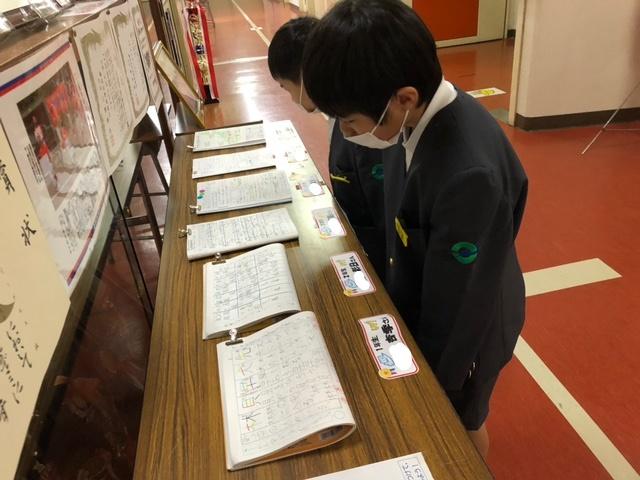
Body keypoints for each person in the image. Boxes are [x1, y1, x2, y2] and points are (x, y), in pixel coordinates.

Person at [302, 0, 528, 457]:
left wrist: (429, 391)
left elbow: (459, 308)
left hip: (468, 335)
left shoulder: (467, 174)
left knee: (458, 427)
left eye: (350, 122)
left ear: (403, 99)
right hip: (432, 295)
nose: (347, 134)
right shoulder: (413, 116)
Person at [267, 18, 387, 280]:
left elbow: (383, 214)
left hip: (375, 262)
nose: (290, 97)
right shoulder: (338, 114)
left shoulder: (362, 128)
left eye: (286, 87)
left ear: (306, 73)